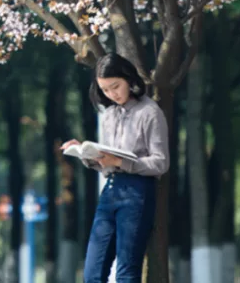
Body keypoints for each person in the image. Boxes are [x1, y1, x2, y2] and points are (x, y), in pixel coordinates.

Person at [62, 52, 168, 283]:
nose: (112, 94)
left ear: (129, 78)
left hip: (137, 193)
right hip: (110, 191)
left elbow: (161, 162)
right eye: (105, 90)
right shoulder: (109, 115)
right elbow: (106, 161)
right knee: (92, 273)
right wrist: (85, 153)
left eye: (115, 86)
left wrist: (120, 162)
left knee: (126, 273)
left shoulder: (149, 112)